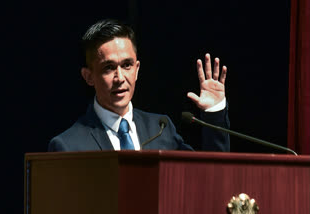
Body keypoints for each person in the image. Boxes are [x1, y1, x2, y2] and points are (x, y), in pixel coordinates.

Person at [48, 19, 230, 152]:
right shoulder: (68, 145)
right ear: (89, 77)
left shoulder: (161, 129)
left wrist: (214, 113)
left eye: (126, 65)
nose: (120, 77)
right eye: (108, 68)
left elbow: (207, 175)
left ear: (136, 70)